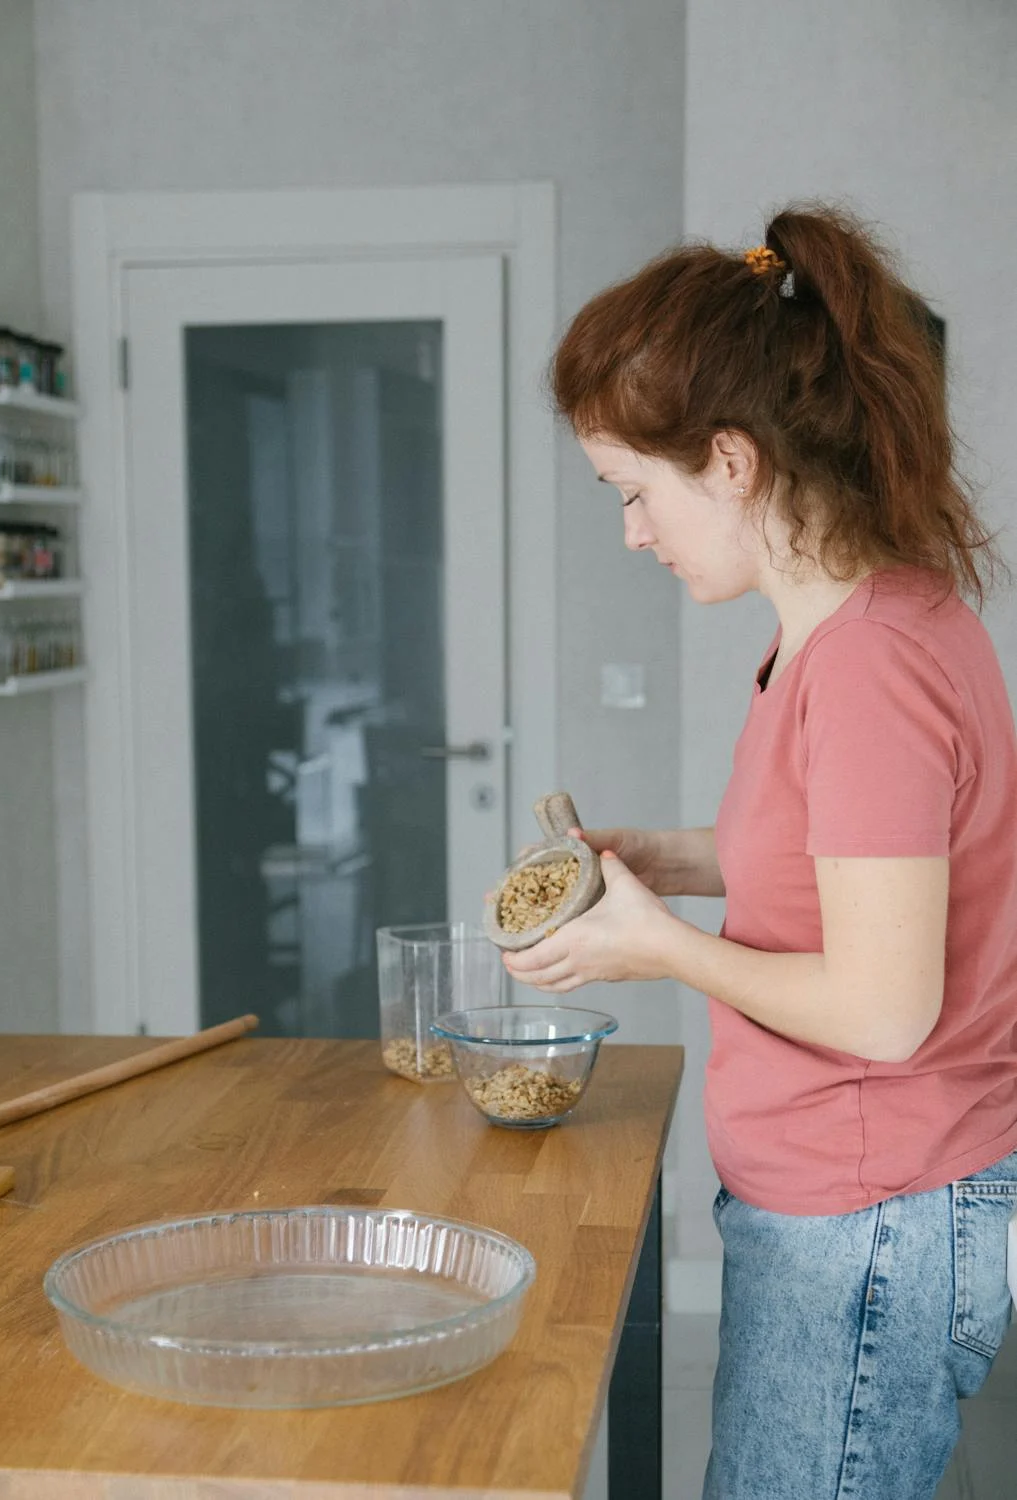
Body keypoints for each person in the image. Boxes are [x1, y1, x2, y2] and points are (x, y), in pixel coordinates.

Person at [504, 204, 1017, 1499]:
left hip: (870, 1220)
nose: (632, 530)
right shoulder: (856, 621)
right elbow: (851, 861)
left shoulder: (867, 668)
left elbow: (884, 1010)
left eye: (634, 491)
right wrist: (670, 860)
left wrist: (654, 949)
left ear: (730, 461)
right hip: (857, 1205)